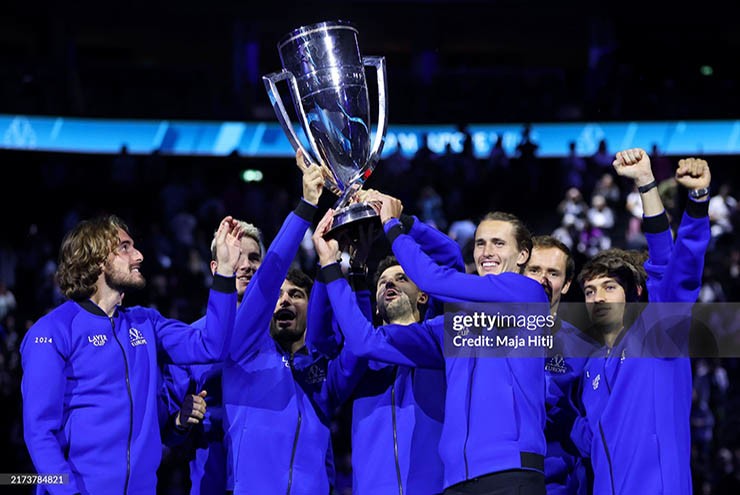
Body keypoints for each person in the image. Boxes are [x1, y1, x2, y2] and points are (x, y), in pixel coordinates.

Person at [326, 190, 550, 494]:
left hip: (510, 471)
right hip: (456, 481)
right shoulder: (451, 328)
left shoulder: (527, 294)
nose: (486, 252)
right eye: (480, 243)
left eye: (499, 243)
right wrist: (331, 270)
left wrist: (395, 225)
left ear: (523, 255)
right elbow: (365, 342)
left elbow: (435, 277)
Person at [21, 214, 245, 494]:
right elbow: (39, 432)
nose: (138, 255)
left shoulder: (146, 322)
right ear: (96, 259)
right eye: (125, 247)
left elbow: (213, 345)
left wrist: (224, 271)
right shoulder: (53, 331)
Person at [221, 151, 363, 494]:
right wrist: (305, 207)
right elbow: (268, 276)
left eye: (297, 295)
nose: (284, 300)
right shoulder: (240, 350)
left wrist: (349, 270)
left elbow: (361, 344)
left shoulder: (321, 371)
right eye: (278, 296)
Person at [573, 148, 711, 494]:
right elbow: (591, 438)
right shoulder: (590, 364)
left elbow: (673, 268)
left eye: (608, 287)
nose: (598, 298)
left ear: (635, 291)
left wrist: (665, 191)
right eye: (589, 291)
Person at [312, 208, 463, 494]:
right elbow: (322, 344)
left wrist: (401, 220)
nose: (390, 283)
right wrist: (328, 266)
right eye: (382, 282)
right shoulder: (364, 359)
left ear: (424, 294)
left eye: (402, 278)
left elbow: (451, 259)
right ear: (376, 307)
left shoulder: (443, 340)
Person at [162, 220, 264, 495]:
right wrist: (181, 421)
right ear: (215, 268)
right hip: (211, 479)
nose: (245, 265)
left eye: (254, 258)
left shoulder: (281, 336)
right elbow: (169, 433)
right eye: (236, 256)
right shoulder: (192, 340)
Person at [523, 236, 596, 495]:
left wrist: (562, 418)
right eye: (534, 270)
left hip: (558, 482)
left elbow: (594, 432)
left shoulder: (584, 350)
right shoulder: (490, 337)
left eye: (552, 273)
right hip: (497, 478)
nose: (542, 279)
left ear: (565, 285)